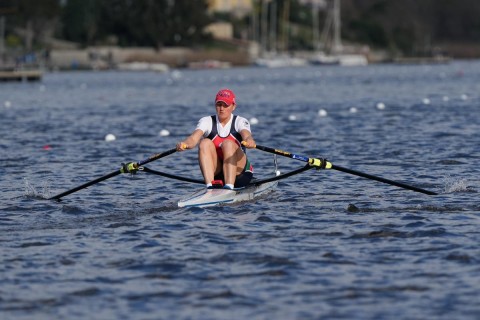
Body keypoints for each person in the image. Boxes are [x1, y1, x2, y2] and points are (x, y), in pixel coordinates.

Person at [176, 88, 256, 189]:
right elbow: (193, 138)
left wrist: (250, 141)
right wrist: (184, 144)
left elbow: (247, 135)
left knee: (228, 143)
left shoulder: (240, 121)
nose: (221, 108)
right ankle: (210, 186)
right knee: (204, 142)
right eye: (219, 104)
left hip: (240, 175)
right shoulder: (207, 121)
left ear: (233, 106)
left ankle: (229, 186)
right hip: (217, 174)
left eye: (225, 105)